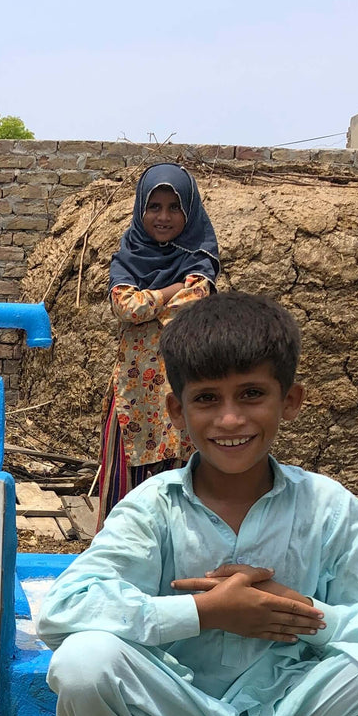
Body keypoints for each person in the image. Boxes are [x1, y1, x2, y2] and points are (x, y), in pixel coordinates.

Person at [38, 292, 358, 716]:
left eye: (252, 394)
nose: (230, 419)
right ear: (176, 411)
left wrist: (299, 610)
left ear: (289, 401)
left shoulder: (330, 508)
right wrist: (206, 613)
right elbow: (62, 609)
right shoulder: (152, 508)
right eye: (207, 400)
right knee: (84, 662)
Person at [97, 163, 220, 529]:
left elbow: (190, 305)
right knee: (124, 482)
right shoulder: (128, 256)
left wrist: (151, 300)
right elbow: (126, 307)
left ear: (190, 211)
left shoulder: (200, 257)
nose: (163, 217)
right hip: (131, 397)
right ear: (140, 209)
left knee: (178, 482)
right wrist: (170, 290)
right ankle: (121, 559)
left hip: (180, 393)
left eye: (174, 207)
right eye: (154, 207)